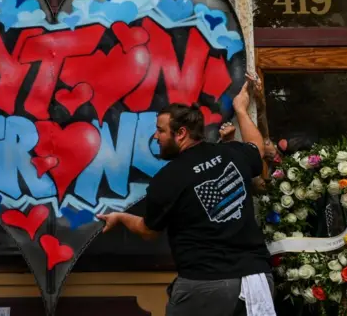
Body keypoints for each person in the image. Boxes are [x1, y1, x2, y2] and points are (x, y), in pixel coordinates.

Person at [97, 78, 275, 316]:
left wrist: (120, 217)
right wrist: (241, 109)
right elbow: (257, 146)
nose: (156, 137)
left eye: (160, 130)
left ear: (181, 133)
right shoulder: (230, 153)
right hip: (256, 280)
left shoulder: (168, 178)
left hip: (205, 286)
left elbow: (149, 231)